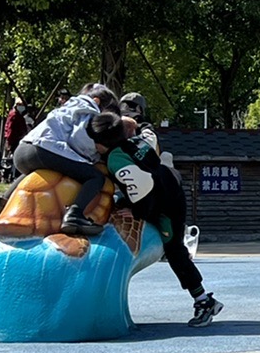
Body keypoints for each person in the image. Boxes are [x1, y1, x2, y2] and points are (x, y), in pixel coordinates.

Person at [87, 111, 222, 325]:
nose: (93, 146)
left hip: (167, 203)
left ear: (102, 142)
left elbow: (143, 187)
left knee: (174, 250)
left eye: (94, 142)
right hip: (168, 185)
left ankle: (204, 301)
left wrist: (138, 212)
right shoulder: (134, 142)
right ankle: (202, 298)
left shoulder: (116, 159)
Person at [12, 86, 117, 237]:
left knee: (35, 173)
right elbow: (79, 139)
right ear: (96, 101)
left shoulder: (68, 106)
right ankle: (75, 215)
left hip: (23, 151)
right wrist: (94, 155)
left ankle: (2, 203)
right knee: (95, 176)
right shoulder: (89, 111)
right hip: (45, 149)